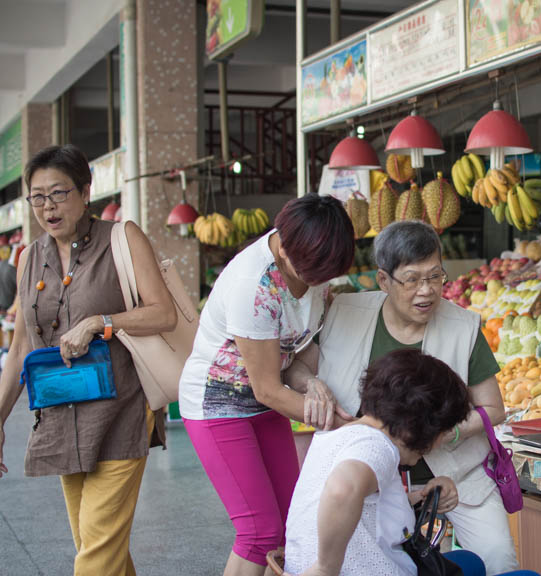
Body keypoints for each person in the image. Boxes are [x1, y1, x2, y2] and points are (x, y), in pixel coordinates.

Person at [0, 144, 178, 575]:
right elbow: (22, 347)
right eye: (37, 197)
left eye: (58, 193)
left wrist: (102, 322)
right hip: (61, 412)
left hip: (122, 411)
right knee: (98, 544)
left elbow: (163, 312)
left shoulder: (122, 237)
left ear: (85, 191)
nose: (48, 206)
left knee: (96, 552)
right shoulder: (28, 260)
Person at [315, 220, 518, 574]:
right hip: (371, 481)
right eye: (411, 279)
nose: (426, 291)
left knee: (498, 558)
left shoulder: (463, 326)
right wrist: (310, 384)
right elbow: (296, 367)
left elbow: (493, 408)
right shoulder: (343, 313)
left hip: (458, 470)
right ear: (383, 280)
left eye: (435, 276)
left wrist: (442, 434)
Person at [179, 194, 356, 576]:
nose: (318, 283)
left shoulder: (315, 267)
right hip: (217, 405)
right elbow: (268, 389)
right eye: (312, 274)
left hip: (265, 403)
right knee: (258, 534)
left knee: (291, 521)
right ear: (286, 249)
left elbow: (290, 358)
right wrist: (350, 428)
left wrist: (310, 382)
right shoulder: (255, 286)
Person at [283, 349, 538, 576]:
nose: (439, 443)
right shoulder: (377, 447)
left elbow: (368, 508)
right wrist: (325, 568)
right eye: (442, 432)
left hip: (299, 564)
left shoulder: (340, 436)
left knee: (468, 561)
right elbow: (342, 489)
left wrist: (422, 498)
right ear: (418, 427)